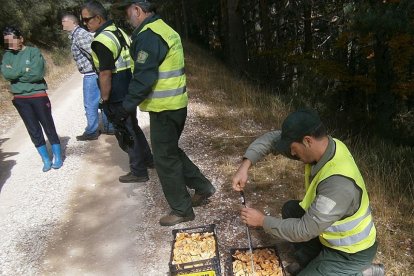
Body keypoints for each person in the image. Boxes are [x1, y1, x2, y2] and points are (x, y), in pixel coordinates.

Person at [232, 109, 384, 275]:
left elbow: (303, 230)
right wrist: (244, 166)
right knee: (291, 209)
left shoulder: (338, 185)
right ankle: (312, 262)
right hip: (329, 235)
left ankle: (364, 272)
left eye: (293, 149)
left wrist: (262, 221)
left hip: (350, 253)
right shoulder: (323, 147)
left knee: (301, 227)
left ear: (307, 141)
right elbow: (271, 139)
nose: (291, 153)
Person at [116, 0, 216, 226]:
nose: (127, 17)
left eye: (127, 12)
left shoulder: (149, 35)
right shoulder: (163, 28)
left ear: (137, 10)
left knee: (164, 159)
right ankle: (203, 186)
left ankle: (182, 210)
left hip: (164, 108)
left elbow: (144, 77)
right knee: (170, 151)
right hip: (175, 104)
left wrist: (125, 107)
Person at [80, 0, 153, 183]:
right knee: (133, 126)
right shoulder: (118, 32)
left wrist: (104, 99)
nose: (85, 23)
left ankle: (138, 171)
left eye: (87, 20)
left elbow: (105, 73)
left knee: (125, 131)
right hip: (129, 87)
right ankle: (148, 160)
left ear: (98, 18)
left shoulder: (101, 40)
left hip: (116, 93)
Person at [1, 26, 63, 172]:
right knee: (33, 129)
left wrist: (16, 73)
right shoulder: (7, 56)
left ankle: (58, 157)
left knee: (48, 126)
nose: (10, 45)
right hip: (20, 99)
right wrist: (25, 70)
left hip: (38, 96)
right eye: (7, 42)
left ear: (20, 38)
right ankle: (46, 160)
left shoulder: (33, 52)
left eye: (12, 40)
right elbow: (6, 74)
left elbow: (37, 74)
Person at [61, 14, 114, 141]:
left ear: (73, 22)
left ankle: (92, 131)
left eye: (64, 21)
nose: (62, 24)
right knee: (103, 101)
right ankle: (109, 127)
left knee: (90, 104)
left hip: (91, 74)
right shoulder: (77, 34)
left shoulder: (79, 35)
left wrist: (99, 71)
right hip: (94, 73)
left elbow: (93, 53)